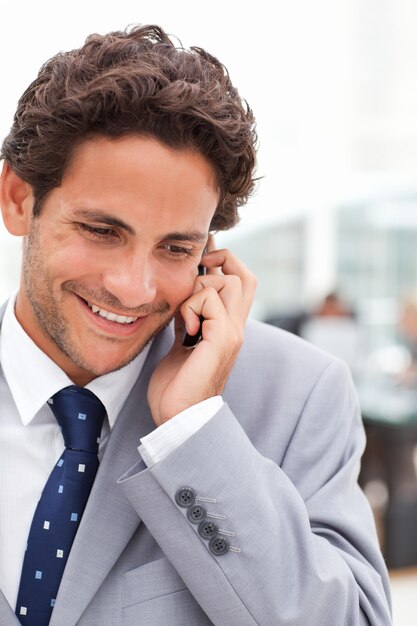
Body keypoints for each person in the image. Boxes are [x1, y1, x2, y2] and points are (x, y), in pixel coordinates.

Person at [0, 24, 391, 626]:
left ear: (211, 252)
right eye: (103, 232)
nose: (135, 288)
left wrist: (196, 435)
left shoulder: (299, 397)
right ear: (18, 199)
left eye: (176, 248)